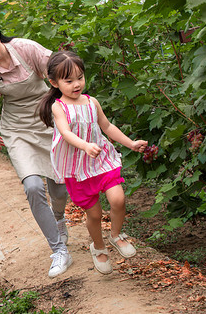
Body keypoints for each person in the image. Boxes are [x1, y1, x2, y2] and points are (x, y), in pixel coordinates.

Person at [0, 11, 71, 278]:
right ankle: (58, 250)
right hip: (17, 128)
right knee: (33, 186)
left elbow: (60, 78)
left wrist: (73, 115)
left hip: (49, 118)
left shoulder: (26, 49)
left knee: (59, 186)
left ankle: (58, 218)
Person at [38, 50, 148, 274]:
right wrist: (85, 145)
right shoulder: (58, 107)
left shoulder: (91, 101)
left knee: (118, 199)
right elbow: (66, 133)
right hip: (77, 167)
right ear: (54, 82)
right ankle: (98, 246)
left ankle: (116, 235)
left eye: (80, 77)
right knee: (95, 214)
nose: (76, 84)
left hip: (101, 161)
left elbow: (107, 127)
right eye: (69, 81)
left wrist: (130, 143)